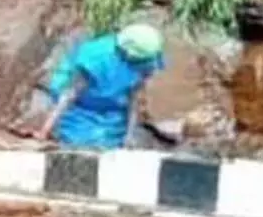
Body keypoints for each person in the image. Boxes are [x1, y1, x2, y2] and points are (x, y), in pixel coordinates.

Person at [27, 23, 165, 149]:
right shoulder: (96, 60)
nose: (147, 71)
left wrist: (129, 136)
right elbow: (70, 95)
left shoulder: (146, 60)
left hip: (112, 103)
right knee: (83, 143)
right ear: (128, 54)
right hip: (81, 104)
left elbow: (134, 98)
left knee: (115, 139)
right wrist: (44, 131)